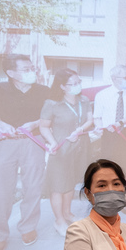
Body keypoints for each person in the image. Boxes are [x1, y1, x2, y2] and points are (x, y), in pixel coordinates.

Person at [0, 53, 49, 250]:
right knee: (0, 189)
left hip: (33, 142)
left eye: (32, 68)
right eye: (26, 69)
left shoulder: (44, 91)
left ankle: (28, 227)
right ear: (10, 72)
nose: (32, 72)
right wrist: (1, 124)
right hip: (5, 143)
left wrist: (36, 124)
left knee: (33, 187)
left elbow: (49, 116)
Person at [40, 68, 94, 236]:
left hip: (78, 150)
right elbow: (43, 126)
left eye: (79, 82)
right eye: (73, 83)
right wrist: (53, 143)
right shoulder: (52, 103)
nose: (78, 86)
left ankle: (68, 213)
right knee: (58, 186)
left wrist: (79, 130)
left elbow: (90, 121)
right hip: (60, 151)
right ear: (62, 86)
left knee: (70, 183)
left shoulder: (84, 100)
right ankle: (59, 221)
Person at [92, 65, 126, 213]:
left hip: (125, 132)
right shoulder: (102, 95)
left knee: (125, 168)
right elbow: (97, 117)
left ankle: (123, 202)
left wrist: (120, 123)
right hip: (109, 135)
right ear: (114, 79)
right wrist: (99, 128)